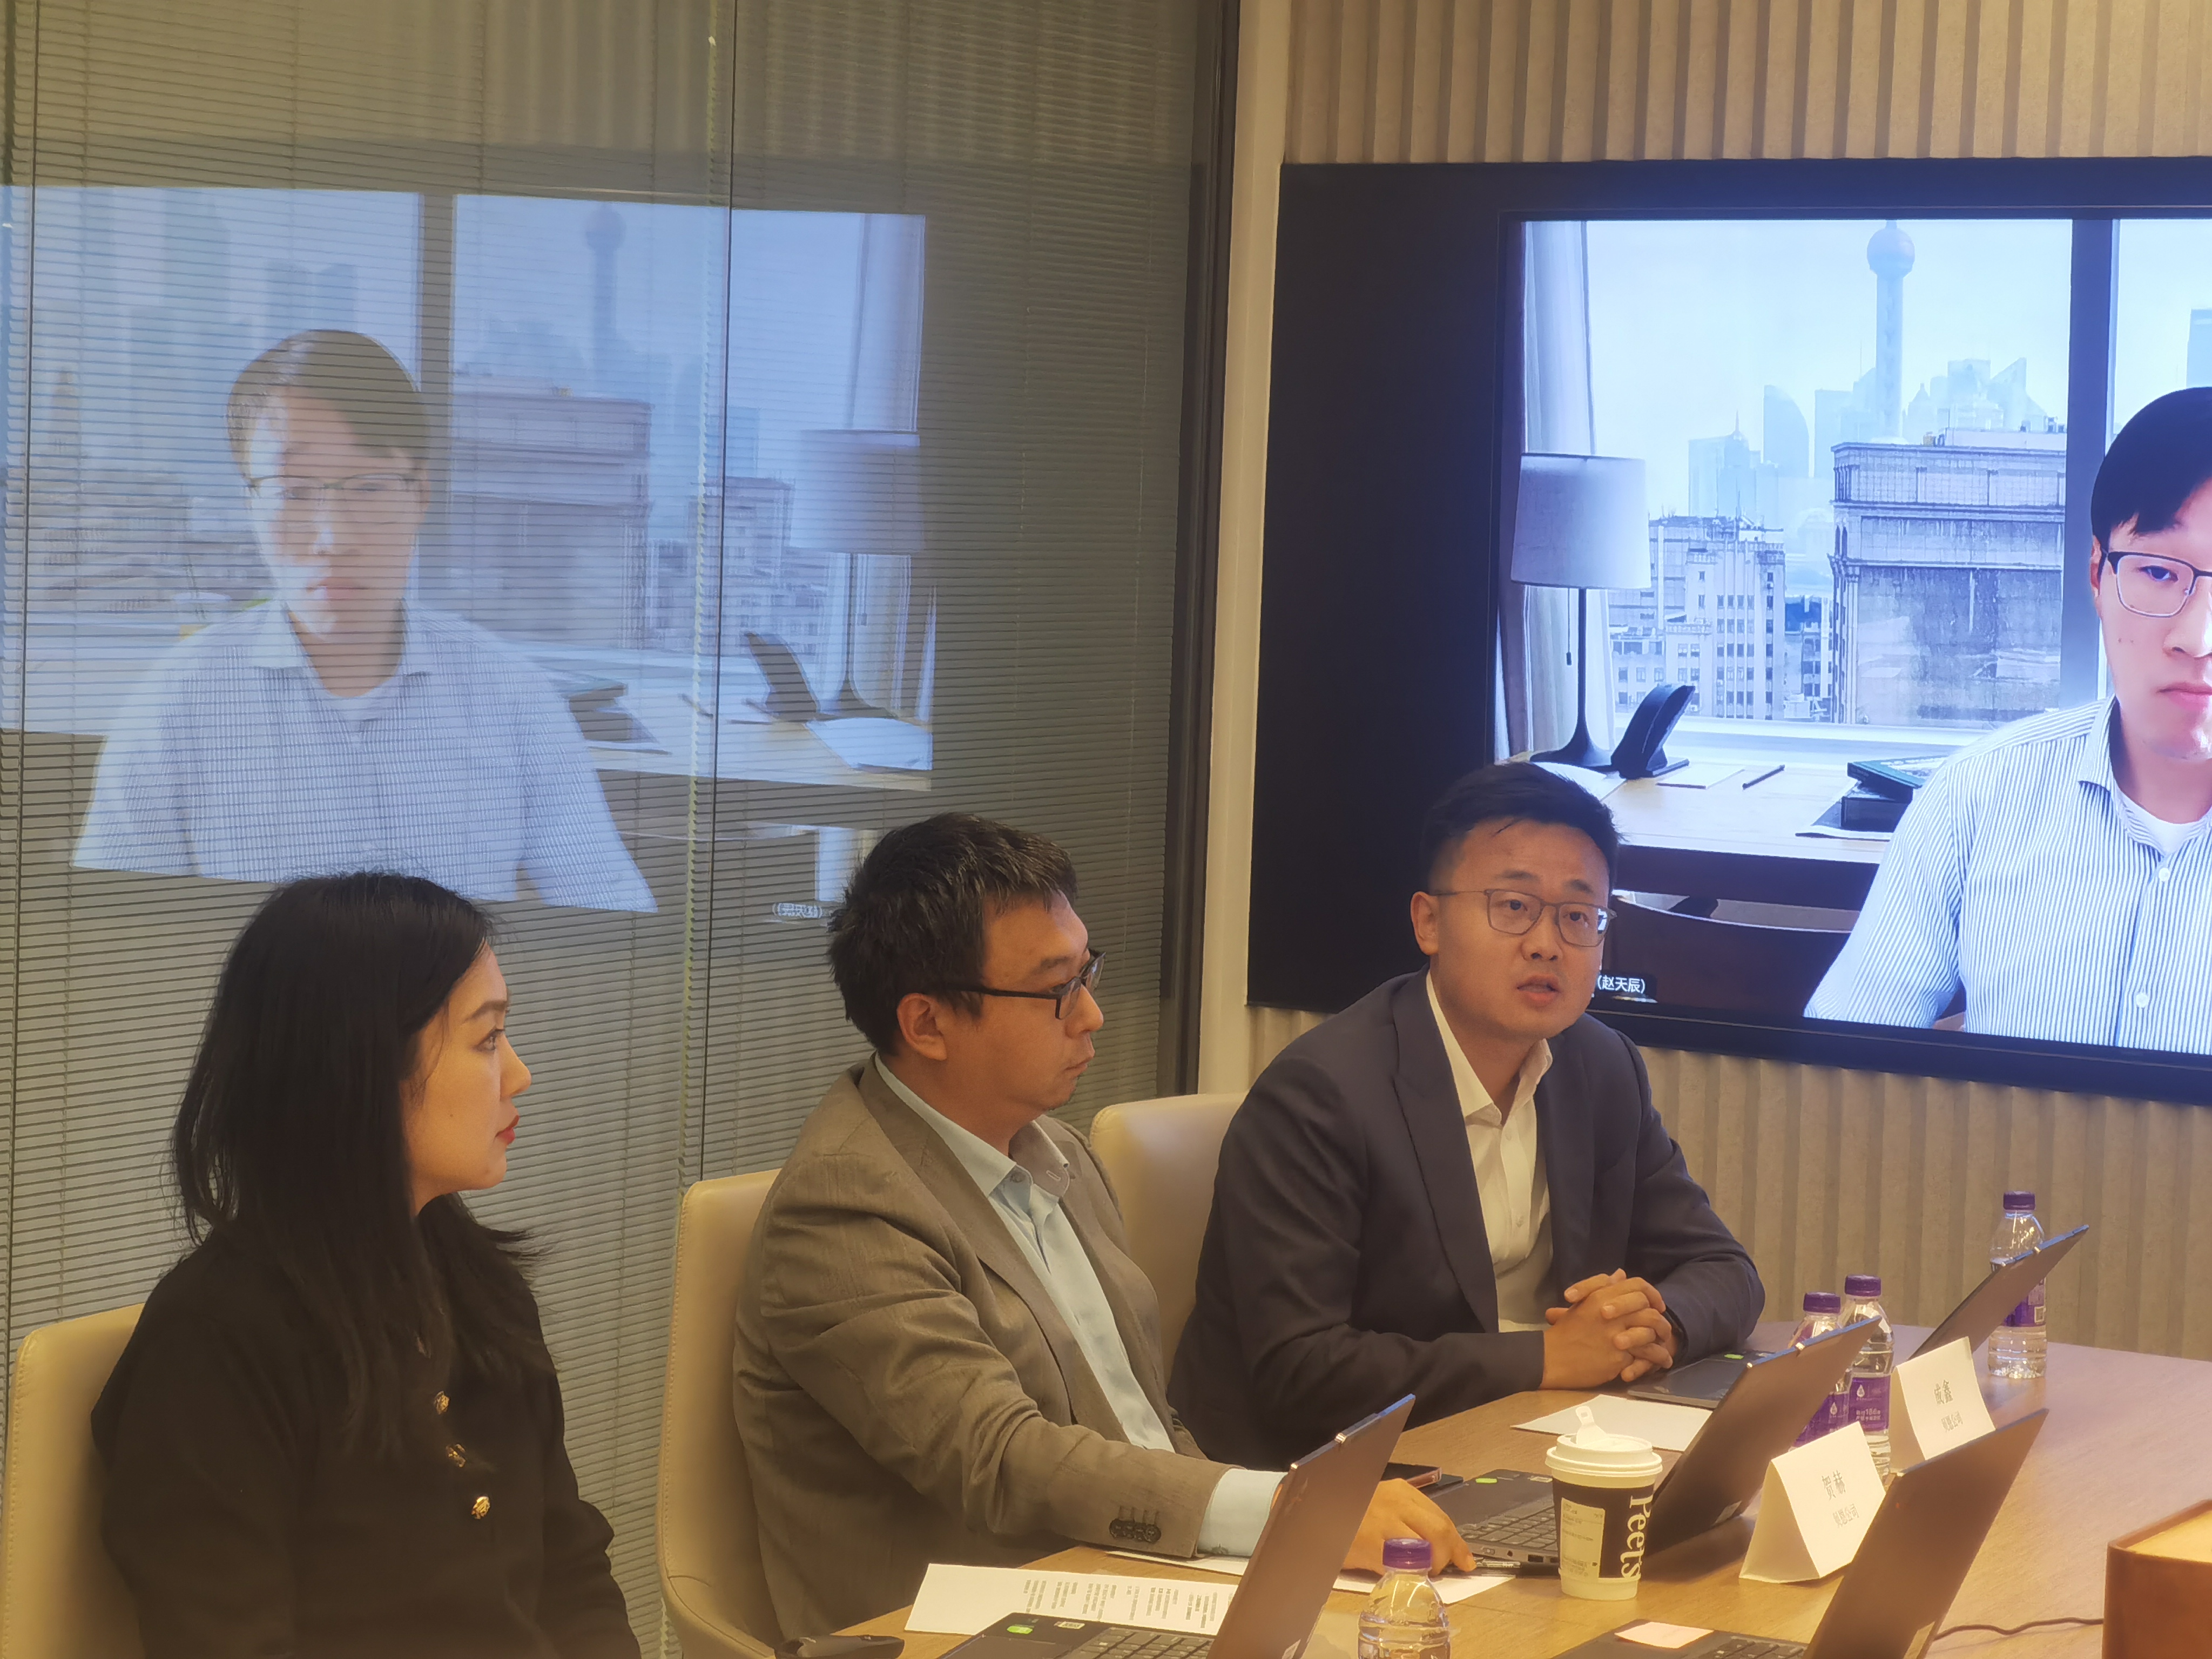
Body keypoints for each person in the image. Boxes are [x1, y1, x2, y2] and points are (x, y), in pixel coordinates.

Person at [735, 813, 1474, 1635]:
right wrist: (1283, 1510)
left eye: (1087, 971)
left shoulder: (1057, 1152)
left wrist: (1270, 1545)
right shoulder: (844, 1207)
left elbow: (1144, 1424)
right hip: (964, 1628)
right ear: (927, 1024)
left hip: (1135, 1582)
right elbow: (1001, 1459)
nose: (1090, 1014)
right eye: (1056, 989)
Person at [92, 873, 638, 1658]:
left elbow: (574, 1577)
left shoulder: (479, 1286)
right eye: (487, 1039)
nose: (519, 1074)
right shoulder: (216, 1342)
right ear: (363, 1068)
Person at [1170, 763, 1764, 1468]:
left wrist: (1654, 1325)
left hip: (1523, 1438)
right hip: (1330, 1477)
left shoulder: (1602, 1068)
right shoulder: (1321, 1094)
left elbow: (1725, 1270)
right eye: (1513, 906)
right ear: (1428, 921)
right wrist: (1548, 1357)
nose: (1546, 943)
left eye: (1578, 917)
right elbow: (1302, 1370)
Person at [73, 330, 653, 912]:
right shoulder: (179, 703)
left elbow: (607, 908)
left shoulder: (509, 695)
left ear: (420, 494)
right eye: (292, 492)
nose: (333, 538)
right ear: (251, 503)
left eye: (370, 487)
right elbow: (114, 925)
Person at [1805, 388, 2212, 1050]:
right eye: (2160, 573)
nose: (2196, 638)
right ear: (2097, 576)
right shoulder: (1975, 798)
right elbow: (1840, 1069)